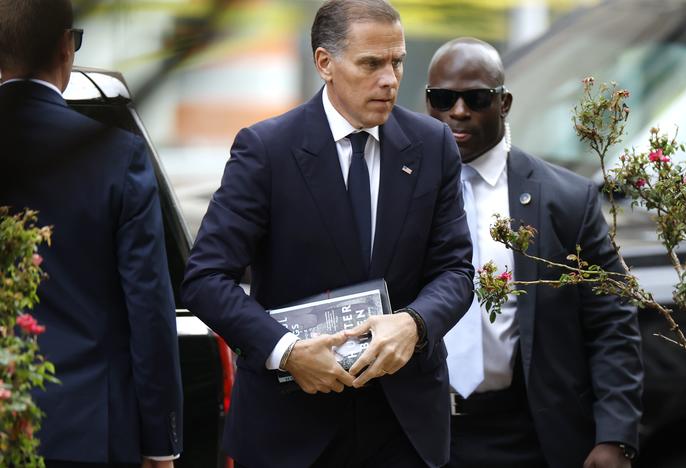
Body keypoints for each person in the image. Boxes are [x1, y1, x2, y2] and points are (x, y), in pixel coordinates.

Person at [180, 1, 473, 467]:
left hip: (404, 428)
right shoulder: (266, 150)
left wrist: (414, 324)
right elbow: (206, 278)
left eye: (397, 61)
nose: (390, 79)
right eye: (371, 64)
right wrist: (287, 351)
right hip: (292, 429)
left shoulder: (433, 145)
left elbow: (456, 271)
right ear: (324, 64)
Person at [426, 37, 643, 468]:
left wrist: (615, 435)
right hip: (421, 437)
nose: (459, 111)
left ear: (504, 103)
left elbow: (611, 321)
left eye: (477, 98)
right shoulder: (401, 191)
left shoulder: (566, 199)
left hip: (529, 438)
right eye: (444, 98)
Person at [0, 1, 183, 467]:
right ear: (66, 46)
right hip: (86, 432)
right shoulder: (117, 157)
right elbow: (149, 310)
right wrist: (161, 442)